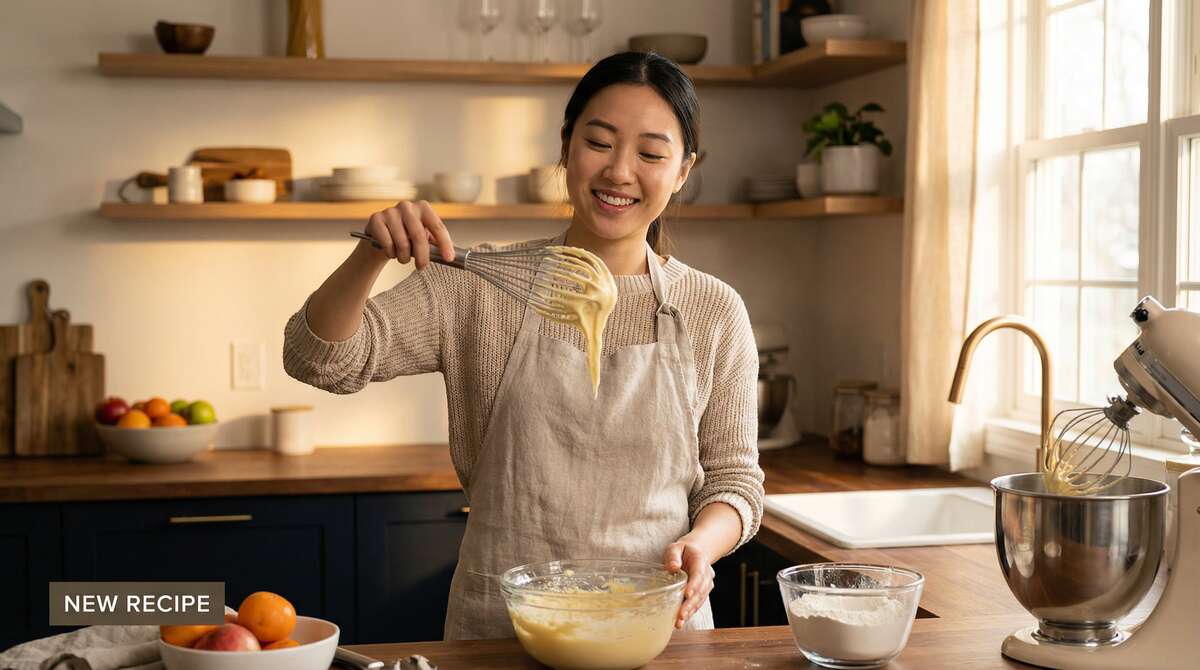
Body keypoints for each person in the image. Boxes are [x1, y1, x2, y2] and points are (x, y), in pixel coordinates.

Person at [283, 51, 764, 640]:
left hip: (659, 628)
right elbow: (318, 358)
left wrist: (701, 544)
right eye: (600, 142)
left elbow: (734, 484)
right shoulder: (478, 286)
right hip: (502, 631)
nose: (619, 171)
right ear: (565, 149)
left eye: (651, 153)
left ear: (683, 170)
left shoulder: (713, 310)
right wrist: (370, 255)